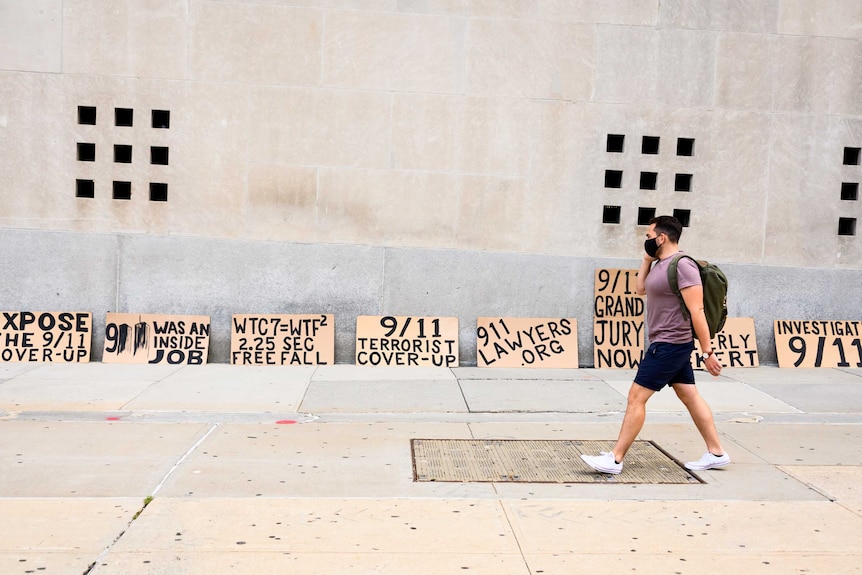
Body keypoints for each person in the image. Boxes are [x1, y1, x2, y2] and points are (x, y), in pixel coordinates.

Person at [581, 215, 730, 474]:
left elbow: (697, 310)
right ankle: (716, 452)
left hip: (671, 343)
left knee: (636, 397)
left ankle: (615, 459)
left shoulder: (683, 266)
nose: (646, 241)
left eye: (649, 237)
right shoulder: (660, 264)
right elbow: (640, 288)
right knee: (690, 396)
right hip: (666, 342)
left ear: (662, 237)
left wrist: (708, 351)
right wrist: (647, 258)